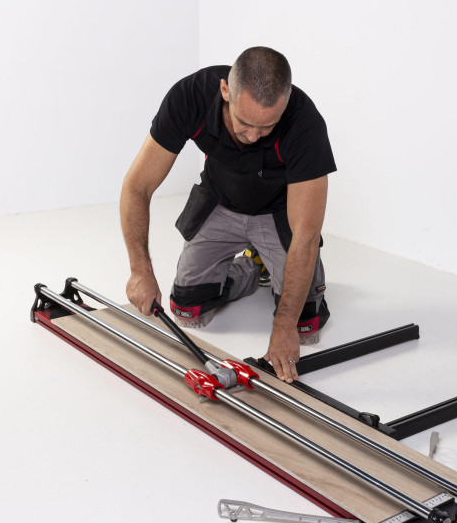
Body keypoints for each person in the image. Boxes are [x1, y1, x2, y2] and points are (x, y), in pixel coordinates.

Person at [120, 47, 336, 383]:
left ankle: (277, 273)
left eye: (266, 127)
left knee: (305, 325)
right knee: (187, 311)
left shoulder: (305, 124)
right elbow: (138, 186)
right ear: (225, 91)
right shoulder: (190, 97)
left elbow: (306, 237)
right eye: (244, 123)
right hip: (221, 201)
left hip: (278, 213)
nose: (252, 136)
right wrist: (139, 270)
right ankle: (253, 267)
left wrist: (284, 326)